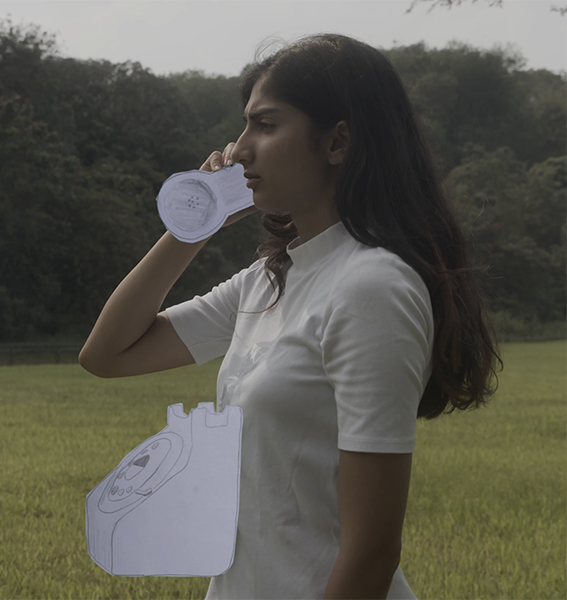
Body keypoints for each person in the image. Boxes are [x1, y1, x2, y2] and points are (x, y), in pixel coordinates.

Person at [79, 33, 504, 600]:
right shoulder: (270, 280)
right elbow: (107, 354)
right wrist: (193, 227)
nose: (238, 150)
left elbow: (372, 551)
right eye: (244, 125)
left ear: (338, 141)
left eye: (267, 125)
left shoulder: (372, 287)